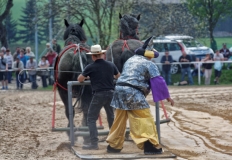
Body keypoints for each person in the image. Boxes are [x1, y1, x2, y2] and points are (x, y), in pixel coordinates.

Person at [106, 37, 174, 155]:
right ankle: (149, 145)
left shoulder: (130, 60)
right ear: (149, 54)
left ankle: (113, 146)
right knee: (144, 118)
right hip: (133, 92)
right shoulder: (149, 64)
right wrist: (167, 97)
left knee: (119, 119)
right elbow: (158, 81)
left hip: (119, 90)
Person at [78, 44, 120, 150]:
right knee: (111, 117)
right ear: (102, 54)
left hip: (98, 95)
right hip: (111, 93)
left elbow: (80, 79)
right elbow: (118, 76)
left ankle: (94, 143)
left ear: (93, 56)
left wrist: (88, 77)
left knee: (91, 118)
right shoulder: (111, 65)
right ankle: (114, 142)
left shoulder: (90, 67)